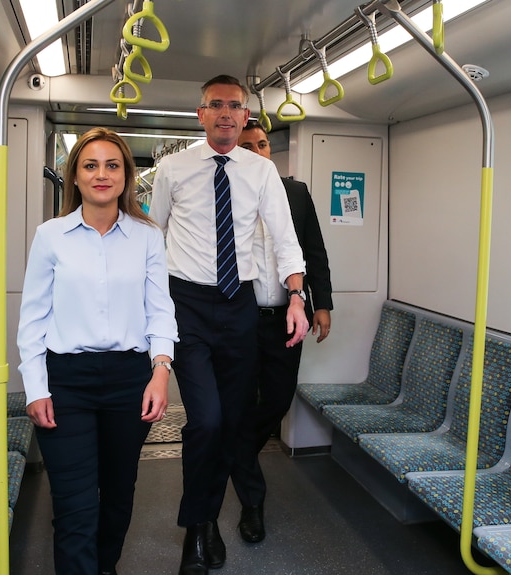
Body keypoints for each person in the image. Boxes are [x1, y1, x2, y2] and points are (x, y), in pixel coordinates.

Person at [149, 75, 309, 575]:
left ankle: (207, 520)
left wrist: (298, 296)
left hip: (238, 303)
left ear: (245, 117)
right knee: (208, 421)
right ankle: (197, 529)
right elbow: (152, 242)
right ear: (200, 115)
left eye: (234, 106)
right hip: (188, 304)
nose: (224, 113)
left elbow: (285, 238)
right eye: (215, 105)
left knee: (233, 422)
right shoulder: (171, 170)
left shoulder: (261, 172)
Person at [17, 127, 178, 575]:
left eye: (112, 165)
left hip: (129, 379)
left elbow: (160, 311)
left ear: (127, 175)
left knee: (118, 493)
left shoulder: (147, 237)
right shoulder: (50, 236)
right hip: (65, 381)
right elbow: (32, 319)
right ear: (75, 176)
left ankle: (104, 566)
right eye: (91, 165)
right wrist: (35, 388)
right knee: (75, 503)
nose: (101, 174)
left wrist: (160, 372)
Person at [230, 121, 333, 543]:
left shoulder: (296, 192)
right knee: (235, 403)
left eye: (263, 145)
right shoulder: (226, 192)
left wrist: (321, 303)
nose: (258, 152)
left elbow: (314, 251)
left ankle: (232, 455)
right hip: (238, 319)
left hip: (286, 317)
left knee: (277, 399)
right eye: (248, 146)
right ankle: (253, 504)